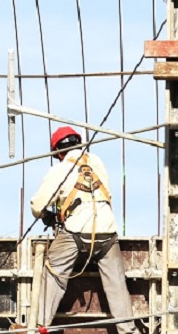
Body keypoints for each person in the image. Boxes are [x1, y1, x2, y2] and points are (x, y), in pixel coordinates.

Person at [29, 126, 137, 334]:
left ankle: (39, 325)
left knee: (54, 273)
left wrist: (47, 216)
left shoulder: (60, 169)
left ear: (58, 151)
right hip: (107, 231)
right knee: (117, 284)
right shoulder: (97, 162)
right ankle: (128, 330)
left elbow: (37, 205)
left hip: (76, 231)